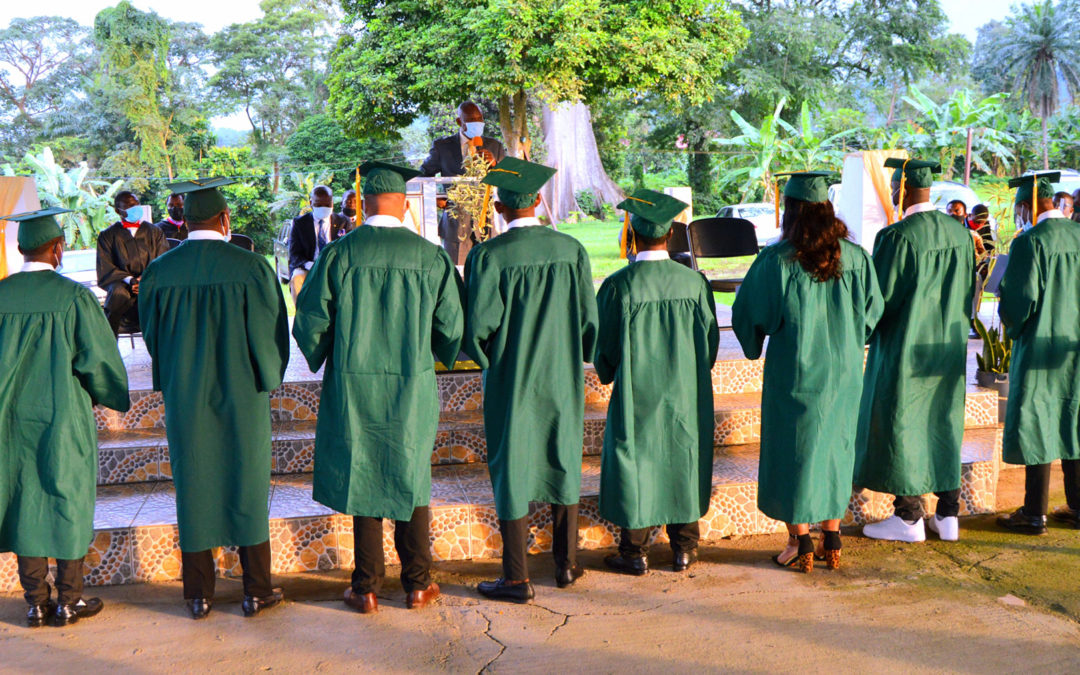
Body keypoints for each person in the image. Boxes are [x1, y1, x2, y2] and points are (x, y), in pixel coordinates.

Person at [293, 161, 463, 615]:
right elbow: (450, 327)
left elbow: (310, 322)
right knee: (410, 476)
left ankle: (365, 587)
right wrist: (431, 351)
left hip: (354, 385)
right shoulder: (430, 257)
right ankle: (418, 584)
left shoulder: (339, 254)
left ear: (362, 205)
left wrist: (324, 351)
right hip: (411, 384)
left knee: (361, 470)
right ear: (405, 206)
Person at [139, 178, 290, 620]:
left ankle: (199, 595)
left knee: (195, 481)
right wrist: (268, 375)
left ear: (183, 221)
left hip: (187, 395)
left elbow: (152, 337)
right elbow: (270, 334)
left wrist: (175, 371)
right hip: (242, 391)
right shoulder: (251, 268)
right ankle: (255, 590)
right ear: (225, 219)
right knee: (247, 477)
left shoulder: (160, 272)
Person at [464, 157, 598, 603]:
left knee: (512, 466)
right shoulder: (571, 250)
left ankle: (517, 577)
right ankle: (567, 565)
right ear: (539, 200)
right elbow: (587, 324)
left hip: (512, 379)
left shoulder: (489, 256)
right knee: (562, 459)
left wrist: (487, 360)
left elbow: (479, 327)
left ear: (499, 209)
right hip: (561, 376)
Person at [733, 173, 883, 572]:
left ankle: (800, 542)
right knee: (835, 449)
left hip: (795, 376)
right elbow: (873, 314)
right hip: (845, 376)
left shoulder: (777, 260)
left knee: (793, 453)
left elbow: (750, 315)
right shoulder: (856, 258)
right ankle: (831, 536)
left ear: (790, 213)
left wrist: (756, 340)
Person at [0, 208, 130, 627]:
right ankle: (69, 600)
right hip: (61, 415)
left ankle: (36, 601)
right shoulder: (73, 298)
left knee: (24, 501)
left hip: (9, 421)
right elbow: (99, 362)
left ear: (21, 249)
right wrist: (110, 396)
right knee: (68, 498)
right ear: (57, 249)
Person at [595, 189, 719, 576]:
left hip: (638, 391)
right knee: (683, 453)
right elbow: (709, 345)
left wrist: (608, 371)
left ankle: (634, 552)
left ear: (634, 236)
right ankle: (684, 548)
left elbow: (606, 349)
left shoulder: (619, 286)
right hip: (685, 390)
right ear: (669, 236)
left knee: (636, 457)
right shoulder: (694, 283)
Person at [856, 158, 976, 543]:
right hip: (947, 345)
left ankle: (908, 517)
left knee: (901, 422)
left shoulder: (896, 237)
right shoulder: (960, 233)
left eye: (893, 188)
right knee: (942, 422)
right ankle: (947, 515)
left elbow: (880, 300)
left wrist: (860, 331)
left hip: (905, 347)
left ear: (901, 189)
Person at [996, 173, 1080, 534]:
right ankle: (1077, 507)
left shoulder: (1030, 242)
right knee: (1074, 417)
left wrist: (1011, 325)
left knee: (1036, 421)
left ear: (1027, 205)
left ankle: (1033, 513)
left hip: (1039, 346)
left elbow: (1018, 300)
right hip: (1074, 349)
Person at [420, 101, 508, 264]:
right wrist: (435, 198)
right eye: (472, 119)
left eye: (480, 119)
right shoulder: (442, 147)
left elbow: (507, 181)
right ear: (460, 122)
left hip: (488, 223)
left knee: (488, 271)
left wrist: (494, 165)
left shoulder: (495, 146)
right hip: (456, 225)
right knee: (456, 274)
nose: (477, 123)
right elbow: (424, 175)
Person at [96, 190, 169, 335]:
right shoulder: (107, 235)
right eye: (129, 206)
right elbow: (106, 267)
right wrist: (132, 281)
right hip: (122, 283)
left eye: (136, 204)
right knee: (118, 293)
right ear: (118, 211)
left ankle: (163, 345)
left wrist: (145, 279)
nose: (135, 208)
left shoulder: (155, 232)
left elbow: (163, 260)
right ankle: (109, 343)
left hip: (152, 281)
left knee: (160, 294)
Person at [287, 185, 351, 302]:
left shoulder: (343, 222)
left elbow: (349, 249)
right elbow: (294, 254)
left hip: (335, 267)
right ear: (311, 203)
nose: (323, 207)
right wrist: (309, 265)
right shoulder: (300, 223)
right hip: (308, 267)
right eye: (319, 204)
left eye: (327, 204)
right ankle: (302, 315)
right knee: (297, 279)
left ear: (332, 202)